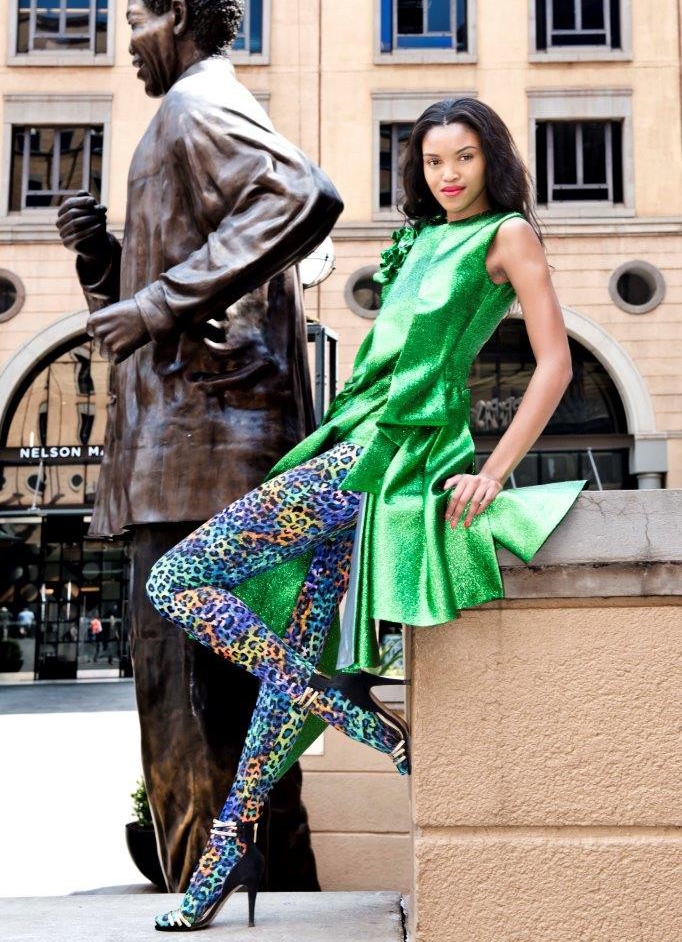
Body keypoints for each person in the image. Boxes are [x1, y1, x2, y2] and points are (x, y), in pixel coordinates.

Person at [147, 97, 588, 932]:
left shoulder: (508, 237)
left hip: (393, 460)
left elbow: (556, 363)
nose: (449, 175)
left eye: (463, 158)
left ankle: (354, 714)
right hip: (346, 444)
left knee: (176, 578)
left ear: (490, 159)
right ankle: (223, 858)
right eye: (432, 162)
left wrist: (494, 470)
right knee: (281, 685)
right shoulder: (419, 238)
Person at [55, 0, 342, 890]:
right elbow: (180, 305)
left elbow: (301, 194)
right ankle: (254, 892)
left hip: (201, 466)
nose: (127, 44)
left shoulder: (199, 104)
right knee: (219, 710)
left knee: (191, 712)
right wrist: (109, 265)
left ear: (175, 15)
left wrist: (154, 302)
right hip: (192, 455)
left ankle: (223, 898)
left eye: (135, 19)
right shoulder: (193, 114)